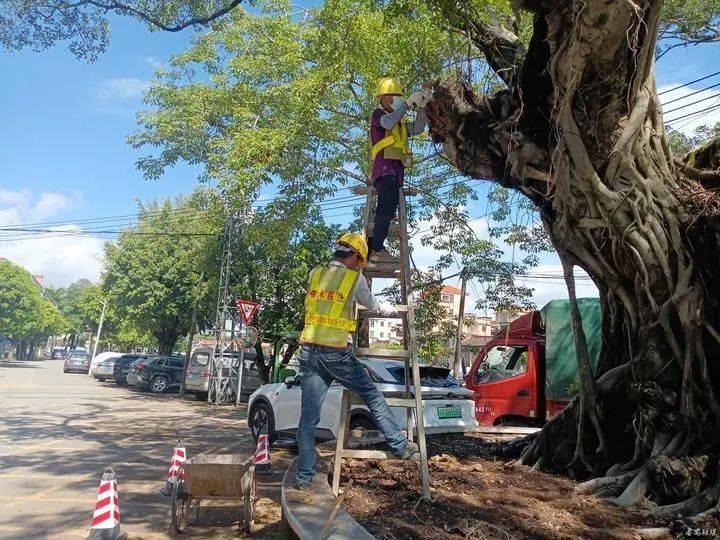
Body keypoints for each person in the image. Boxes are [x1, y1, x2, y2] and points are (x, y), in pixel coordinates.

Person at [294, 233, 419, 490]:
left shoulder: (315, 274)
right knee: (371, 394)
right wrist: (392, 309)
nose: (357, 264)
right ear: (353, 256)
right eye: (358, 260)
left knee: (307, 420)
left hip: (309, 353)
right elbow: (371, 303)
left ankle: (303, 479)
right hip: (337, 353)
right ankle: (398, 444)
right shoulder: (354, 278)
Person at [368, 77, 431, 262]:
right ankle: (377, 249)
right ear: (381, 99)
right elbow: (388, 123)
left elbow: (418, 128)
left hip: (396, 173)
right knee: (385, 208)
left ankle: (377, 247)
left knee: (388, 208)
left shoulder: (401, 123)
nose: (395, 100)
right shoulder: (378, 115)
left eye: (397, 97)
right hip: (383, 171)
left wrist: (422, 106)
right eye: (391, 97)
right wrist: (406, 104)